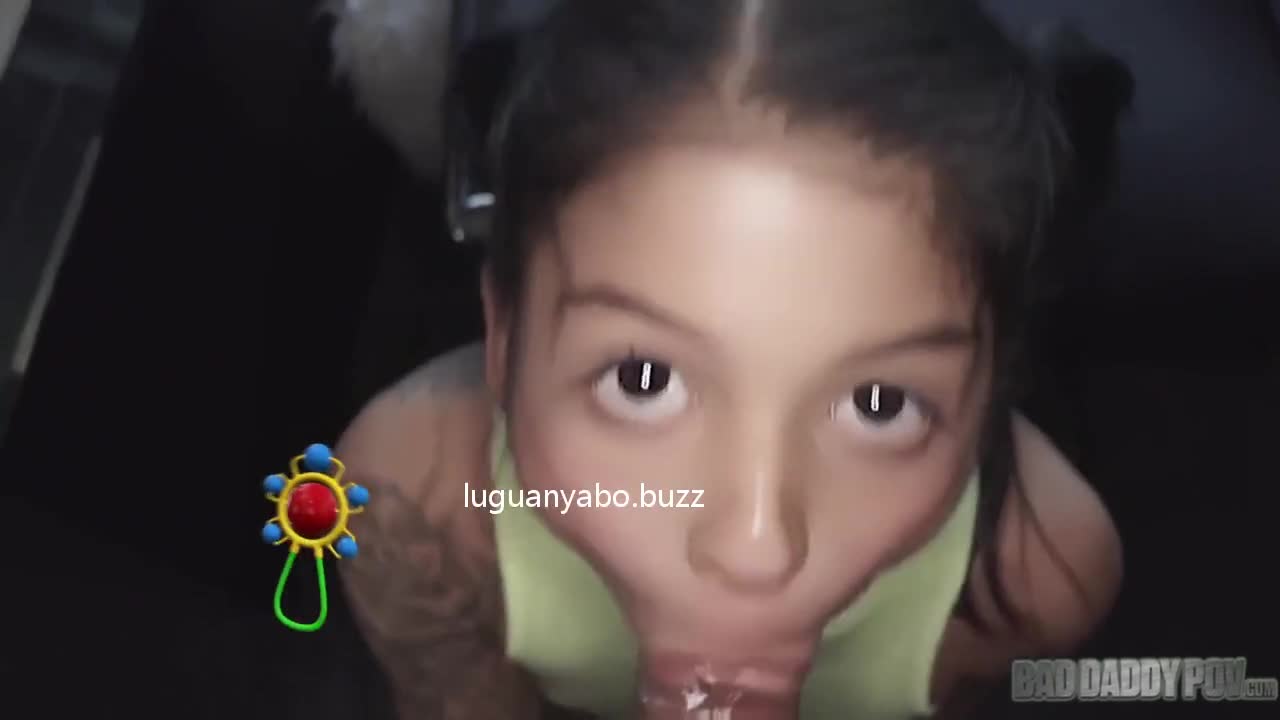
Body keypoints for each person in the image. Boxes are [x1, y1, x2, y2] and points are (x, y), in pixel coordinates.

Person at [335, 1, 1126, 718]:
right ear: (504, 336)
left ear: (989, 388)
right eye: (643, 380)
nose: (757, 548)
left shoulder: (1041, 575)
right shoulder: (411, 497)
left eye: (880, 403)